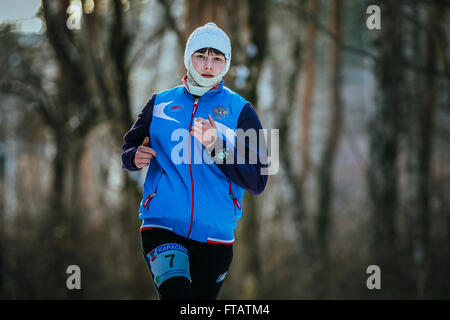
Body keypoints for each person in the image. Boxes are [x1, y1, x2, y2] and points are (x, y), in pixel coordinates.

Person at [121, 22, 268, 300]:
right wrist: (133, 157)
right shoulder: (160, 103)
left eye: (217, 58)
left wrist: (217, 147)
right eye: (201, 56)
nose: (208, 65)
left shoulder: (243, 111)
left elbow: (259, 180)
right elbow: (130, 146)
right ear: (189, 58)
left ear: (226, 64)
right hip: (162, 227)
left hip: (216, 236)